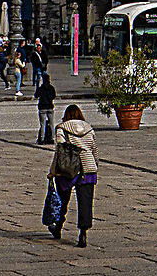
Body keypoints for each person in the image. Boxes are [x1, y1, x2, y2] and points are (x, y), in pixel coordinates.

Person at [48, 103, 99, 248]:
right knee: (85, 203)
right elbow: (94, 149)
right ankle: (83, 233)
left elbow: (60, 152)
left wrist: (53, 171)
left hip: (68, 168)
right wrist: (95, 165)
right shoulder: (89, 129)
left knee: (63, 200)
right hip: (88, 168)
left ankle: (58, 227)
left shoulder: (61, 128)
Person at [36, 71, 58, 144]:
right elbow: (54, 96)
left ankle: (42, 138)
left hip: (42, 107)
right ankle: (52, 138)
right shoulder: (51, 88)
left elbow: (36, 95)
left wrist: (39, 86)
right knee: (51, 124)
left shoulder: (41, 88)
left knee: (42, 124)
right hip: (50, 106)